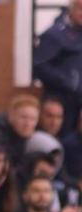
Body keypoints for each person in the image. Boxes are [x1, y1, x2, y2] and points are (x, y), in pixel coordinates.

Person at [32, 0, 82, 129]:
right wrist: (67, 81)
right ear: (71, 9)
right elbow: (39, 66)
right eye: (80, 8)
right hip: (61, 100)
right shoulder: (54, 35)